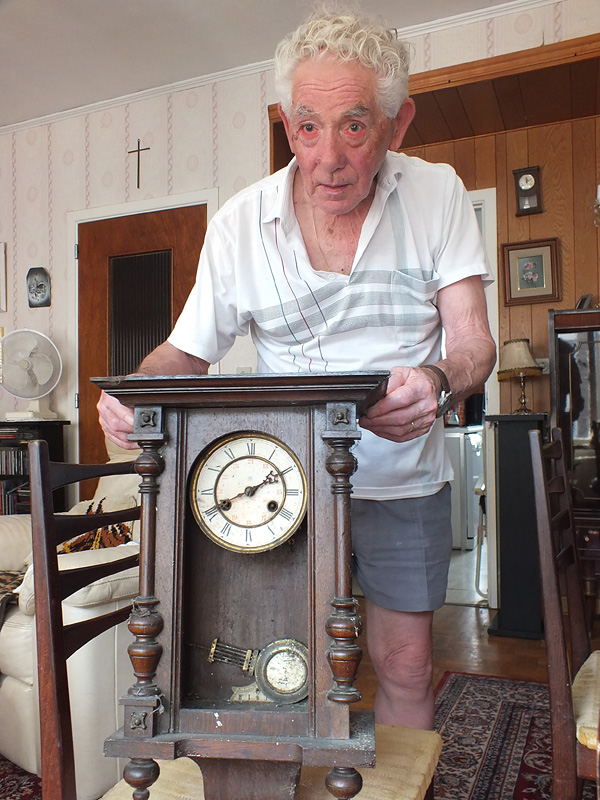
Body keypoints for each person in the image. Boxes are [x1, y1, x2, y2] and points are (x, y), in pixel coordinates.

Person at [98, 6, 496, 731]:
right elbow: (183, 354)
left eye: (354, 125)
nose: (329, 157)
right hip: (280, 491)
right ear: (288, 125)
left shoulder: (437, 194)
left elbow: (474, 345)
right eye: (308, 127)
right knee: (280, 665)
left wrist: (437, 382)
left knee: (405, 665)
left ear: (396, 124)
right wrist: (133, 393)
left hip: (403, 484)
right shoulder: (239, 225)